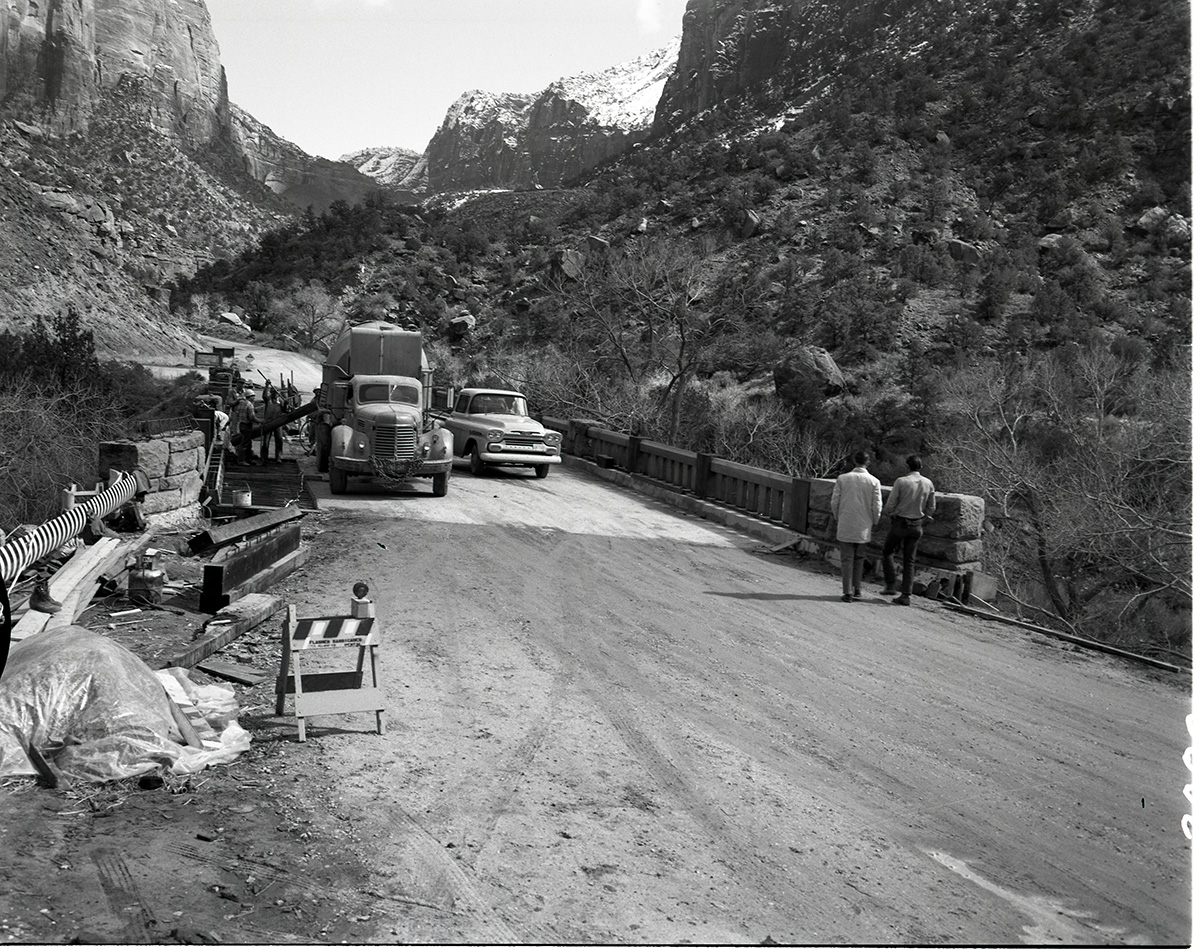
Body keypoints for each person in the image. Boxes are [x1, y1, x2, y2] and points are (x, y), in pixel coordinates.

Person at [881, 454, 937, 606]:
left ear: (907, 466)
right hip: (917, 524)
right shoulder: (928, 483)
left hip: (900, 522)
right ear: (921, 467)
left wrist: (890, 514)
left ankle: (891, 585)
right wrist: (924, 519)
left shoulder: (901, 481)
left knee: (887, 551)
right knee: (909, 560)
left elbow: (890, 505)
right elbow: (932, 507)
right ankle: (906, 594)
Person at [830, 450, 882, 603]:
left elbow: (835, 501)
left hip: (846, 521)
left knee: (846, 559)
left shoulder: (843, 479)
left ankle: (847, 592)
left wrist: (838, 516)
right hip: (863, 524)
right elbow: (877, 506)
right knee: (859, 558)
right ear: (868, 462)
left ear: (854, 461)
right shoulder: (874, 481)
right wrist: (874, 521)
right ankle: (857, 588)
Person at [234, 388, 259, 465]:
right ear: (249, 397)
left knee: (247, 443)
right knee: (245, 444)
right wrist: (259, 421)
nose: (254, 398)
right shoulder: (249, 404)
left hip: (242, 424)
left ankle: (248, 459)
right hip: (247, 425)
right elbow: (251, 417)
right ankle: (241, 460)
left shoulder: (241, 403)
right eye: (253, 396)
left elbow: (237, 411)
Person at [260, 389, 285, 463]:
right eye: (274, 393)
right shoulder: (268, 399)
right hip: (268, 423)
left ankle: (279, 457)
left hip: (278, 423)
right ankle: (264, 457)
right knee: (266, 441)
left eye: (277, 393)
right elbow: (264, 396)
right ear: (271, 393)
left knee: (279, 440)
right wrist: (266, 386)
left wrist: (286, 404)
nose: (275, 394)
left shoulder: (280, 400)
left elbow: (284, 410)